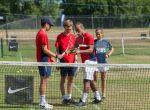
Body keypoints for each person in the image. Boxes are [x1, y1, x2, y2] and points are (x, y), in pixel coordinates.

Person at [36, 17, 62, 109]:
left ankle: (42, 101)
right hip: (43, 61)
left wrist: (51, 59)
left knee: (44, 81)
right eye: (50, 25)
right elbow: (44, 49)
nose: (50, 27)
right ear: (46, 24)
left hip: (45, 60)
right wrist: (56, 56)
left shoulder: (42, 33)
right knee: (44, 81)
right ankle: (42, 103)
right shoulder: (42, 34)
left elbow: (45, 50)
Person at [74, 22, 102, 106]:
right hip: (84, 62)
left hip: (91, 61)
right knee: (91, 80)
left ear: (82, 28)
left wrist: (79, 51)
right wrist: (67, 52)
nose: (77, 32)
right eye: (75, 30)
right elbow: (74, 48)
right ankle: (98, 98)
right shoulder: (78, 39)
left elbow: (90, 50)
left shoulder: (89, 36)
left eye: (78, 30)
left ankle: (83, 100)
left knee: (86, 80)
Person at [55, 19, 76, 104]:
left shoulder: (74, 37)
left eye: (70, 29)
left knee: (70, 81)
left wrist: (75, 59)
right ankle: (64, 98)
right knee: (62, 81)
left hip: (72, 63)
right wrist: (57, 61)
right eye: (67, 28)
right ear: (64, 27)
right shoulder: (59, 36)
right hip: (63, 63)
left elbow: (75, 50)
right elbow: (57, 50)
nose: (69, 30)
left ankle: (69, 97)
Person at [94, 28, 114, 99]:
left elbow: (112, 49)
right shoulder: (94, 42)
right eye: (97, 34)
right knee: (95, 79)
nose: (98, 35)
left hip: (104, 63)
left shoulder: (106, 42)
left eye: (99, 34)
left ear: (102, 34)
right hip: (95, 63)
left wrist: (108, 55)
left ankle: (103, 94)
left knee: (103, 78)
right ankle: (96, 94)